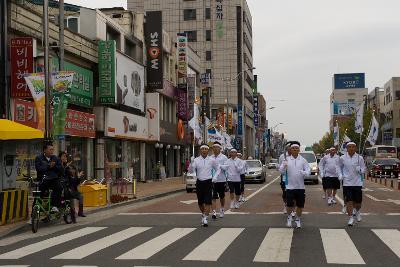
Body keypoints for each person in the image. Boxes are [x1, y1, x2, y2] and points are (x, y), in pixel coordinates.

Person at [279, 142, 310, 228]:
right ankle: (289, 217)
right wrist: (283, 167)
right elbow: (281, 171)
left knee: (300, 205)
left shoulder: (303, 160)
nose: (295, 149)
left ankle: (298, 219)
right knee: (289, 205)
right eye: (293, 148)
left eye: (296, 148)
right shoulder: (286, 160)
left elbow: (308, 171)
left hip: (300, 187)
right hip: (289, 186)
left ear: (299, 150)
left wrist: (304, 173)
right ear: (291, 150)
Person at [189, 144, 221, 227]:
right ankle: (203, 214)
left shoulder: (212, 160)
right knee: (200, 202)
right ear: (200, 150)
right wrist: (191, 163)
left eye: (205, 149)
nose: (204, 150)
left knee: (207, 201)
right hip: (199, 182)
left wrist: (215, 177)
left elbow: (218, 169)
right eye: (202, 149)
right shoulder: (196, 160)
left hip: (208, 182)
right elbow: (191, 170)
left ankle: (206, 218)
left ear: (208, 150)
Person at [337, 142, 366, 226]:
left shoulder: (359, 158)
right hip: (347, 183)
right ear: (346, 148)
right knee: (349, 201)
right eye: (349, 147)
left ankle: (357, 211)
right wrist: (340, 175)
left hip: (357, 183)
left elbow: (364, 169)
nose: (351, 148)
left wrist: (360, 170)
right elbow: (338, 167)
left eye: (353, 147)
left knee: (358, 203)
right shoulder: (342, 158)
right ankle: (350, 218)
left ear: (355, 148)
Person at [35, 143, 63, 212]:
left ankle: (55, 206)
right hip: (43, 179)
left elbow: (60, 169)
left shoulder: (55, 158)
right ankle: (35, 211)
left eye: (52, 149)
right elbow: (39, 169)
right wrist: (48, 166)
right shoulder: (39, 158)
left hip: (53, 179)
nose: (52, 151)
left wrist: (54, 167)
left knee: (59, 188)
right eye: (50, 149)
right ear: (45, 150)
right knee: (38, 194)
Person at [210, 141, 228, 219]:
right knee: (213, 197)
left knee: (222, 196)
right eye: (214, 147)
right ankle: (214, 212)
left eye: (217, 147)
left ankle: (222, 208)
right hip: (213, 180)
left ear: (220, 148)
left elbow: (227, 167)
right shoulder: (210, 157)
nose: (215, 149)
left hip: (221, 179)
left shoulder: (224, 157)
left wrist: (220, 166)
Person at [279, 142, 292, 214]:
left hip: (293, 177)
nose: (291, 148)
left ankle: (292, 207)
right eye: (289, 147)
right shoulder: (282, 156)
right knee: (285, 193)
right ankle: (285, 205)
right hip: (285, 177)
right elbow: (280, 167)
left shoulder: (296, 155)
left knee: (293, 192)